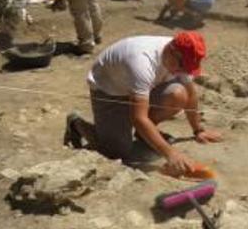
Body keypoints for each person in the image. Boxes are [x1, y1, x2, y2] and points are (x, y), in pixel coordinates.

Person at [64, 32, 223, 176]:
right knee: (116, 151)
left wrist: (198, 130)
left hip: (141, 88)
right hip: (110, 90)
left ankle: (144, 135)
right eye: (181, 66)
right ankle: (76, 124)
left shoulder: (180, 57)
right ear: (171, 51)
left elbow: (191, 94)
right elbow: (138, 118)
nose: (182, 72)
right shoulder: (142, 62)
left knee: (179, 94)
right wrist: (171, 154)